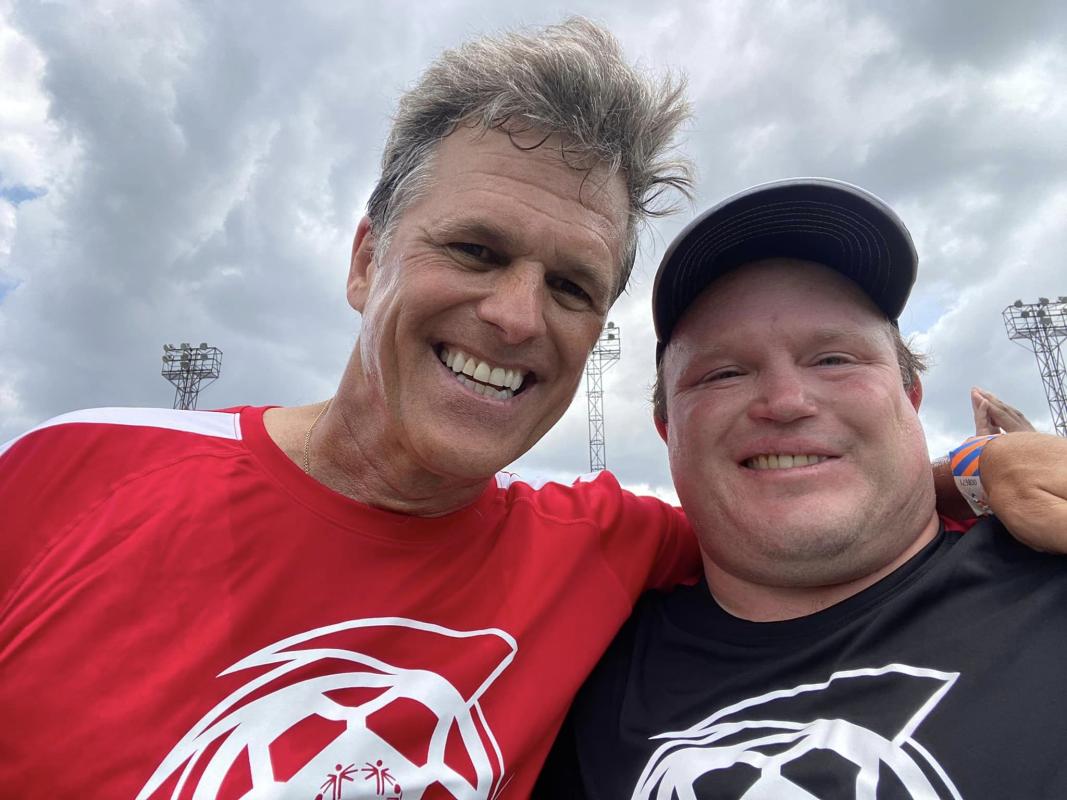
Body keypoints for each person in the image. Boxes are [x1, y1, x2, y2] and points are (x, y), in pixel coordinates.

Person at [0, 21, 1054, 798]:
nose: (513, 316)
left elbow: (803, 503)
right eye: (473, 250)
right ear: (367, 260)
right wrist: (970, 468)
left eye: (569, 287)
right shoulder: (65, 472)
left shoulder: (599, 549)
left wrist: (971, 470)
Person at [539, 178, 1067, 799]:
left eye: (834, 359)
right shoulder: (579, 669)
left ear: (911, 397)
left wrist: (977, 469)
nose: (786, 403)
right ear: (667, 431)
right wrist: (974, 472)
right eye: (724, 372)